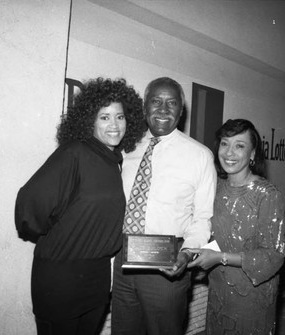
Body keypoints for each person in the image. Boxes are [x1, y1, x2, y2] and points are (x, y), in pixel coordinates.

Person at [14, 77, 146, 335]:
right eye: (104, 117)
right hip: (61, 276)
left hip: (96, 276)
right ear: (89, 121)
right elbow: (31, 203)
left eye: (119, 117)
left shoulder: (113, 161)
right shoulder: (74, 152)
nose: (114, 125)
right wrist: (60, 231)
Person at [111, 77, 217, 335]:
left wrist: (187, 253)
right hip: (123, 261)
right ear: (145, 106)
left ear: (181, 112)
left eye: (172, 103)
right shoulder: (126, 148)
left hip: (166, 266)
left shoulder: (199, 155)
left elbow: (203, 218)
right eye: (156, 101)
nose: (163, 109)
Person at [187, 118, 285, 334]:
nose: (229, 153)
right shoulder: (216, 188)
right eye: (225, 143)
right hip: (219, 288)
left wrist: (220, 257)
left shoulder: (267, 194)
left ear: (252, 154)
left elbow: (274, 254)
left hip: (251, 294)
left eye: (239, 146)